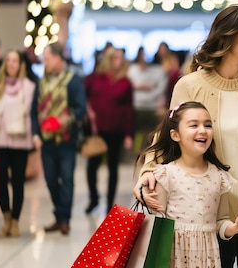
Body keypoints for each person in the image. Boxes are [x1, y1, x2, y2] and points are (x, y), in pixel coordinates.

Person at [134, 4, 238, 268]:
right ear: (227, 35)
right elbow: (167, 139)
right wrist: (147, 173)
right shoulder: (189, 85)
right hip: (206, 215)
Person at [138, 101, 238, 268]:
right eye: (194, 125)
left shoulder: (219, 177)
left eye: (207, 125)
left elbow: (220, 220)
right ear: (175, 135)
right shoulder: (165, 175)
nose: (202, 130)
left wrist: (234, 227)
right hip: (172, 262)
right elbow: (155, 223)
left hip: (208, 263)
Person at [31, 42, 86, 235]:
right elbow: (34, 110)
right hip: (46, 140)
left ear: (58, 58)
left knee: (67, 179)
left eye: (47, 59)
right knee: (51, 180)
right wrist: (35, 133)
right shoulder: (42, 82)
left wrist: (65, 120)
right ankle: (59, 215)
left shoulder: (73, 81)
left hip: (66, 139)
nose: (45, 63)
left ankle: (64, 220)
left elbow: (81, 109)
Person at [0, 49, 37, 237]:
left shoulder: (29, 87)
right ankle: (6, 219)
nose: (12, 64)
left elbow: (32, 114)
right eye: (8, 60)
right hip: (0, 139)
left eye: (15, 60)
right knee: (0, 182)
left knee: (17, 182)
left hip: (20, 140)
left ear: (20, 64)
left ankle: (15, 221)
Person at [83, 47, 134, 215]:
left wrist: (128, 134)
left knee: (113, 167)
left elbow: (128, 110)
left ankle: (109, 203)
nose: (118, 61)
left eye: (120, 58)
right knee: (92, 166)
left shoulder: (125, 82)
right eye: (115, 58)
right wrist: (88, 111)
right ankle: (93, 198)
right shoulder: (96, 78)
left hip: (116, 130)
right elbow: (85, 96)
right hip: (97, 129)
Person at [128, 46, 168, 153]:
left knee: (149, 132)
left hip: (151, 107)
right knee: (135, 132)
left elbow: (160, 88)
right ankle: (134, 153)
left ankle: (143, 152)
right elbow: (129, 85)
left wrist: (140, 87)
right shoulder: (132, 69)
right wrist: (144, 86)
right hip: (136, 106)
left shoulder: (158, 70)